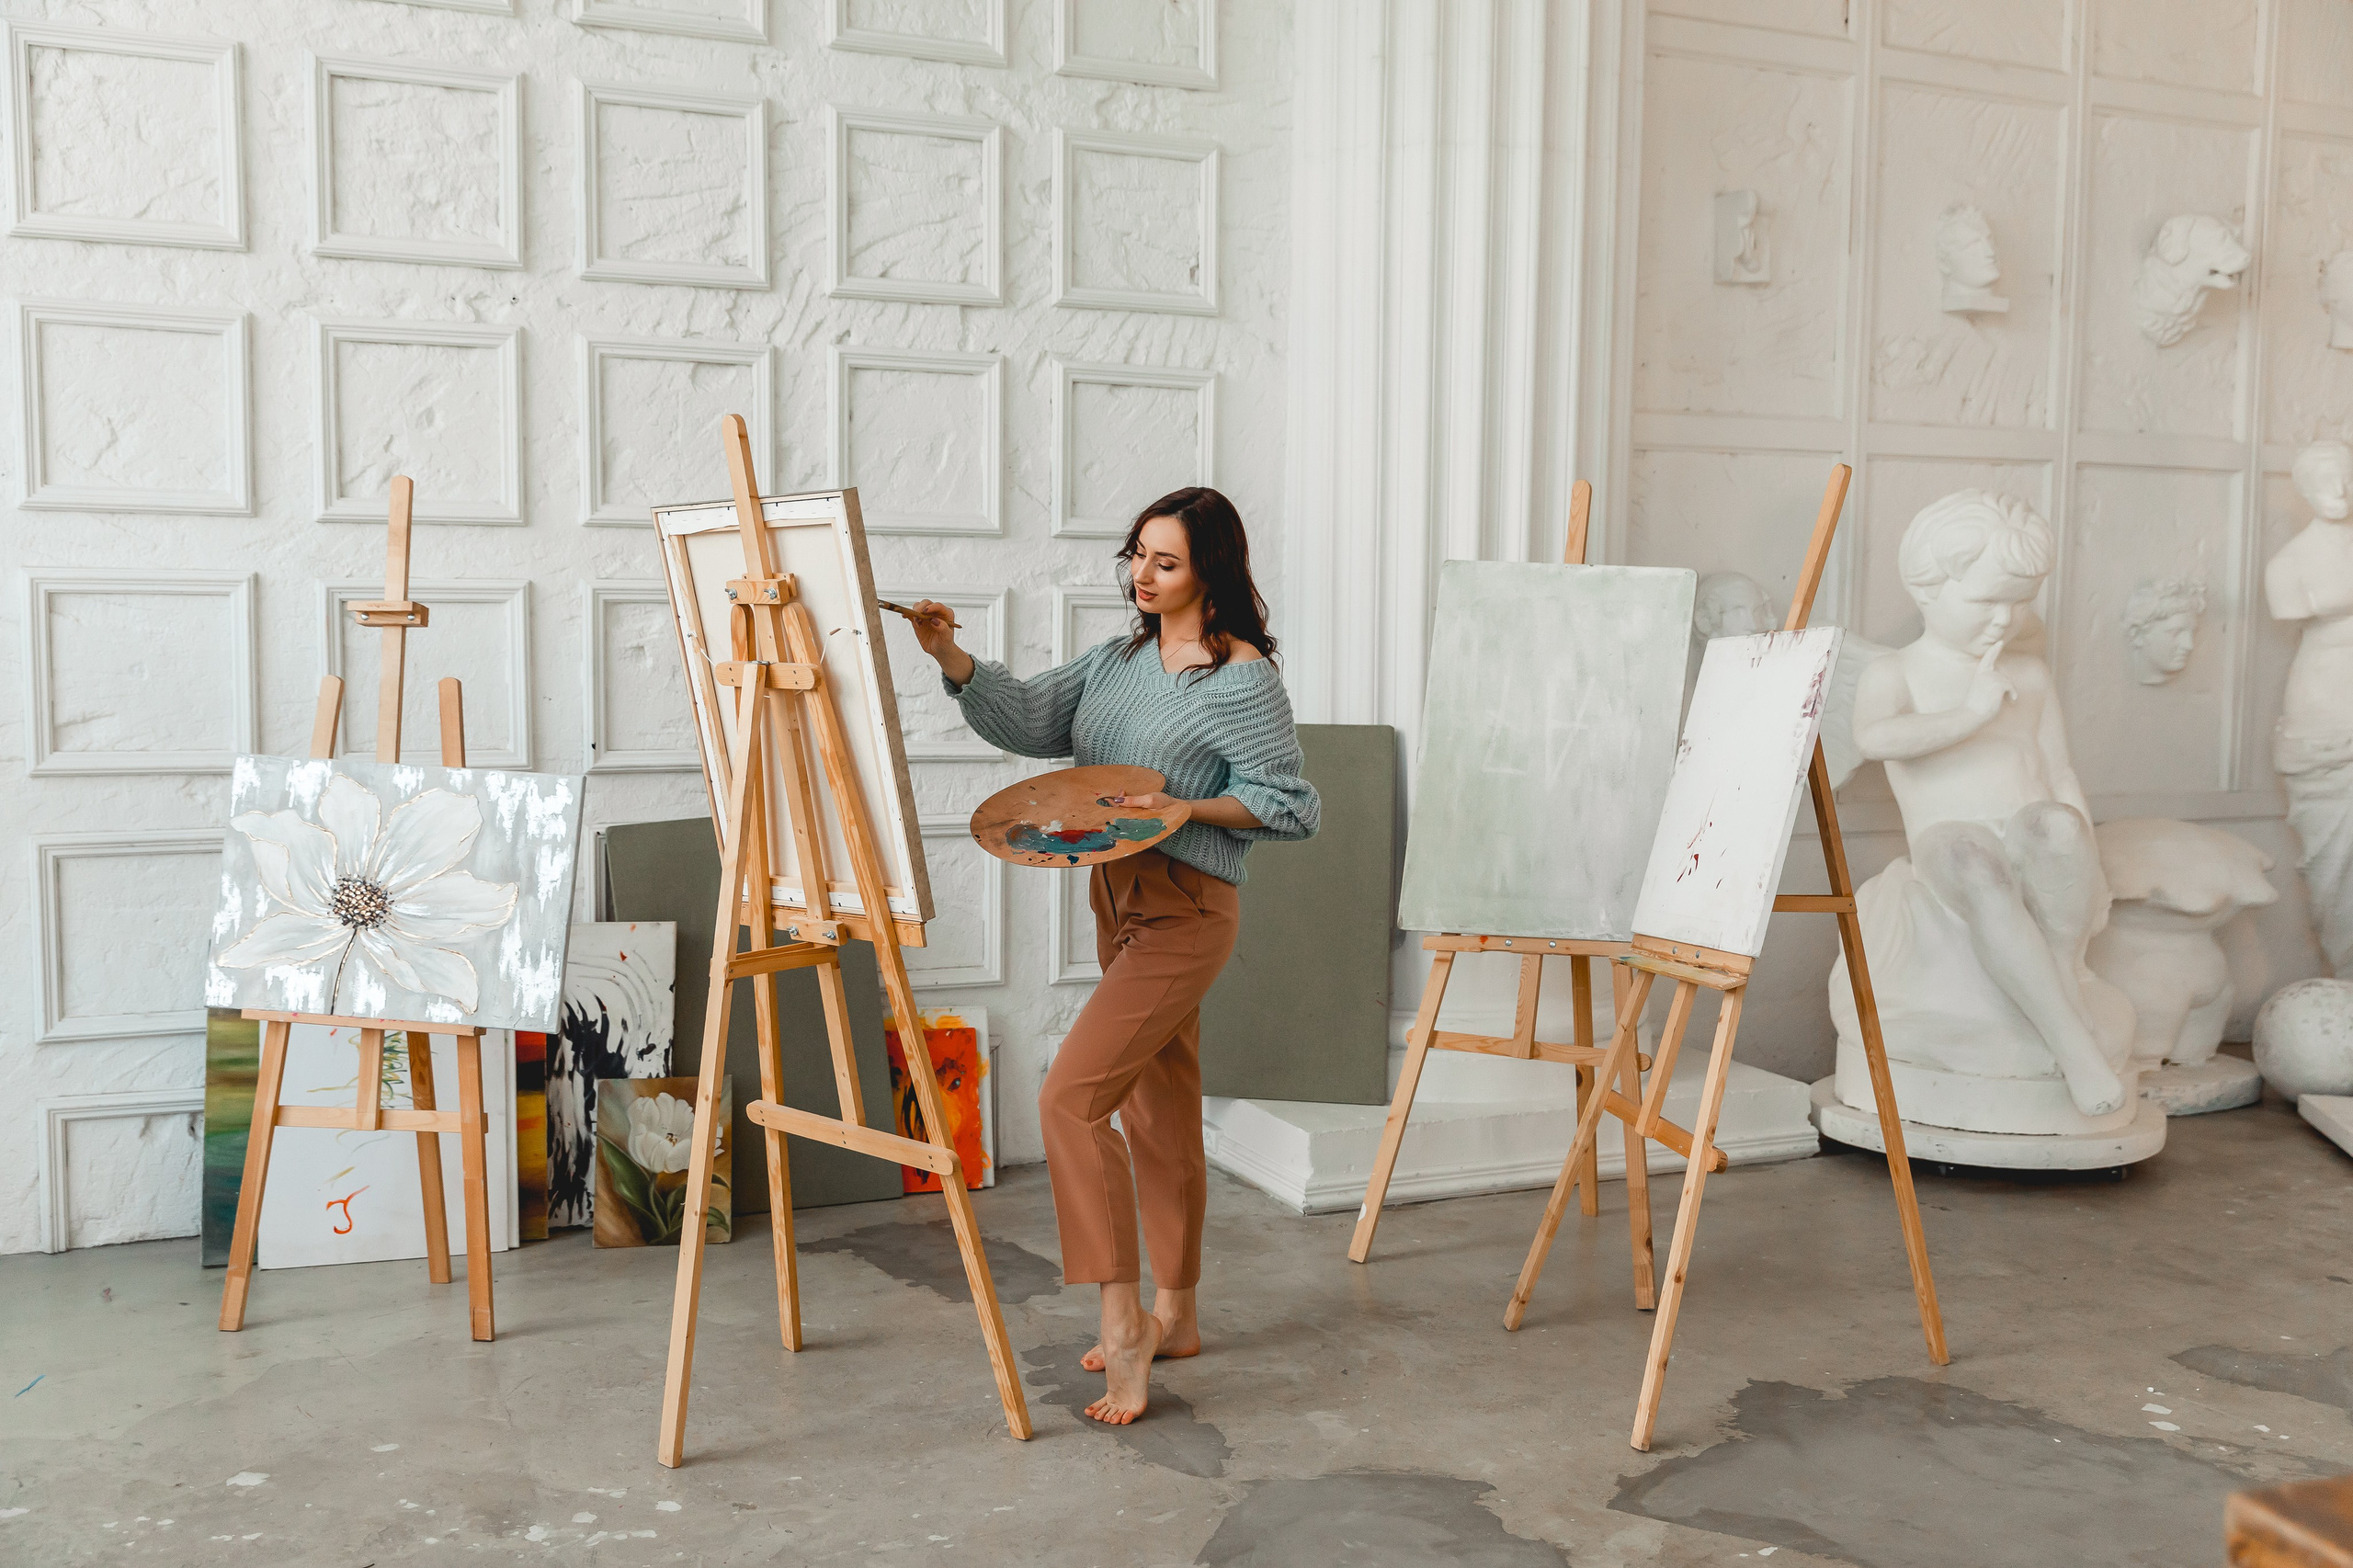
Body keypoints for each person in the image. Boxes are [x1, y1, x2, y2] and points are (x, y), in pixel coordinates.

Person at [904, 486, 1318, 1425]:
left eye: (1164, 561)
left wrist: (1177, 809)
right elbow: (1029, 717)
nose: (1141, 575)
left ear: (1211, 570)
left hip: (1187, 912)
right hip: (1118, 902)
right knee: (1157, 1109)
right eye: (1134, 555)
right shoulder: (1122, 656)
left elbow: (1291, 805)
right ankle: (1178, 1311)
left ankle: (1123, 1317)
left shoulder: (1240, 679)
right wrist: (950, 656)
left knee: (1066, 1099)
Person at [1848, 490, 2127, 1119]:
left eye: (2019, 600)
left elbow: (2059, 771)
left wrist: (2095, 863)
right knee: (1974, 859)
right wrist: (1972, 712)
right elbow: (1875, 738)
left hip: (2030, 833)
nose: (2004, 618)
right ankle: (2072, 1044)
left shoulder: (2029, 677)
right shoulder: (1897, 673)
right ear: (1927, 590)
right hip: (1951, 841)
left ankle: (2055, 976)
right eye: (1986, 600)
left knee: (2056, 825)